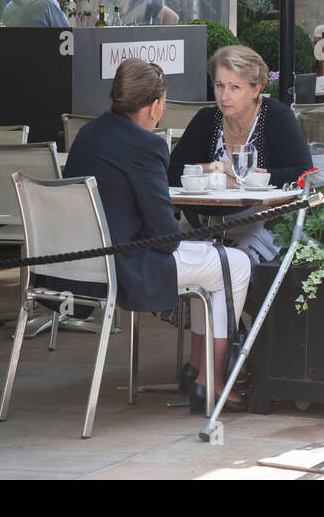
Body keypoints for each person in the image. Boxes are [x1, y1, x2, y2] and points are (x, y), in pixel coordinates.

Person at [65, 58, 249, 412]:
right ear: (154, 106)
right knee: (235, 264)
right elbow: (165, 238)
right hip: (126, 265)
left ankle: (197, 368)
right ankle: (210, 381)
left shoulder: (88, 134)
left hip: (79, 263)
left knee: (214, 261)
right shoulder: (146, 145)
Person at [168, 45, 309, 188]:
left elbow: (303, 173)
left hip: (265, 209)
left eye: (235, 87)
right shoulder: (207, 119)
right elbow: (172, 172)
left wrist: (249, 180)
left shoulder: (277, 116)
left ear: (256, 89)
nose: (224, 96)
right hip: (211, 209)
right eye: (219, 85)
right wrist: (221, 168)